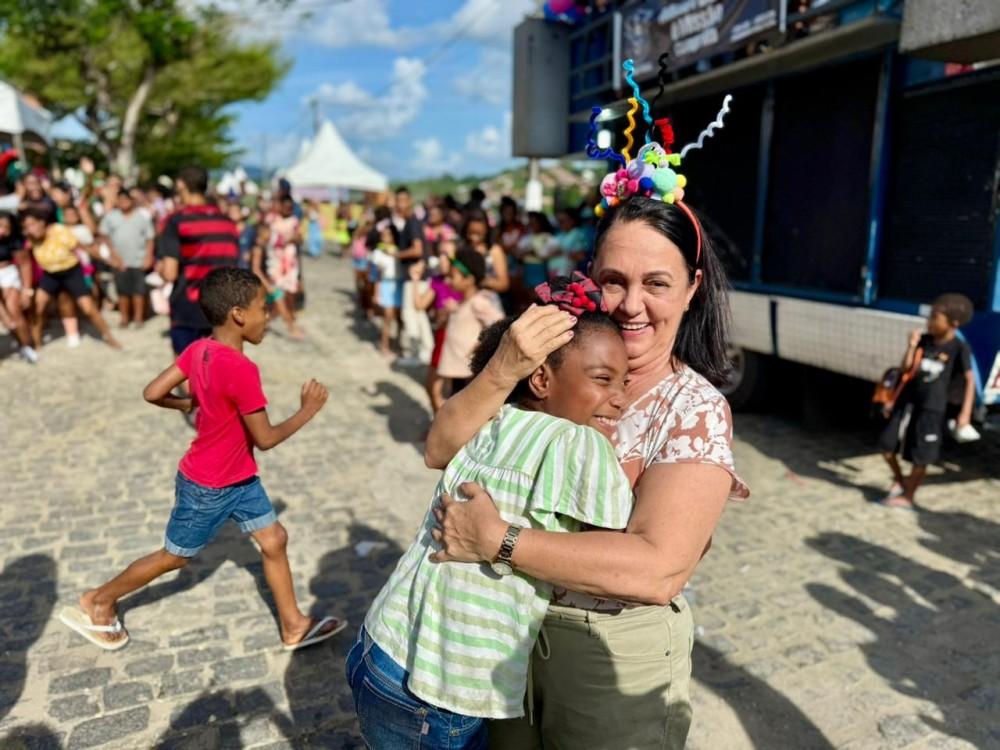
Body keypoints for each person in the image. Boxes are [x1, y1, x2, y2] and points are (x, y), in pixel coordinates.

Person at [426, 195, 748, 749]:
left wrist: (497, 540)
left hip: (609, 658)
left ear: (692, 288)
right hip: (506, 637)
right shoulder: (555, 364)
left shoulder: (693, 409)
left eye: (657, 283)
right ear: (590, 276)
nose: (631, 304)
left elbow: (659, 568)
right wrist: (504, 365)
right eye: (614, 281)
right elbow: (439, 448)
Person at [350, 278, 634, 749]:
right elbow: (612, 548)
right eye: (603, 380)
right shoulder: (582, 443)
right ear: (540, 379)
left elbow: (440, 446)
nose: (621, 397)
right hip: (440, 689)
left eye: (624, 382)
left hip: (381, 642)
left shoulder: (489, 417)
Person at [58, 267, 346, 651]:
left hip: (241, 478)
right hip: (208, 486)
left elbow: (152, 392)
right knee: (173, 558)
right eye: (263, 308)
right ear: (239, 315)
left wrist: (187, 404)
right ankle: (99, 600)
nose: (268, 316)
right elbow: (265, 439)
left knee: (274, 539)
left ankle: (293, 625)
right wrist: (307, 410)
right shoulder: (242, 369)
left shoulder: (199, 349)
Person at [878, 293, 976, 508]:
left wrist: (965, 414)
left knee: (922, 453)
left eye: (934, 318)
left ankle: (908, 496)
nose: (929, 322)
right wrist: (911, 346)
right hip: (907, 402)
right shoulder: (925, 340)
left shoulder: (959, 348)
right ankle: (900, 480)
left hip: (932, 408)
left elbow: (970, 380)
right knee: (887, 445)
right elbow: (906, 368)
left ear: (953, 323)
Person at [159, 165, 239, 357]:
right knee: (214, 363)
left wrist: (159, 268)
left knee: (185, 364)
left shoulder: (176, 221)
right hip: (221, 307)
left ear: (181, 185)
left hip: (188, 305)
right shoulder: (228, 222)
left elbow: (169, 273)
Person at [21, 207, 121, 350]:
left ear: (42, 222)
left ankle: (109, 337)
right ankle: (36, 344)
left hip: (71, 271)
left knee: (88, 307)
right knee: (38, 305)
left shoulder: (58, 230)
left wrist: (108, 260)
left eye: (33, 224)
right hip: (50, 275)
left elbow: (83, 248)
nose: (31, 229)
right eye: (27, 227)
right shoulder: (29, 239)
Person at [435, 248, 505, 393]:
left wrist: (479, 346)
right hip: (458, 369)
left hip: (468, 371)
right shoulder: (461, 302)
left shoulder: (478, 302)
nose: (447, 280)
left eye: (452, 276)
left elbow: (499, 324)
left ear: (469, 280)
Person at [100, 189, 155, 328]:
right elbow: (105, 237)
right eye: (121, 200)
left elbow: (150, 238)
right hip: (119, 262)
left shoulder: (142, 217)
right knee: (122, 291)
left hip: (138, 260)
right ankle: (124, 318)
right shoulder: (111, 217)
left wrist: (148, 256)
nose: (124, 202)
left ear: (132, 201)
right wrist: (113, 256)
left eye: (126, 199)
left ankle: (138, 318)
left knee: (138, 291)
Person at [250, 222, 304, 340]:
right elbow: (255, 270)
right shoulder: (258, 248)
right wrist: (268, 286)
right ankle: (292, 328)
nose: (271, 235)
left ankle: (263, 326)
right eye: (268, 233)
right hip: (262, 283)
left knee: (274, 309)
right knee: (279, 303)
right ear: (261, 233)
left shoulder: (268, 244)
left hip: (269, 281)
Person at [0, 211, 38, 362]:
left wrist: (26, 290)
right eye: (0, 225)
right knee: (5, 316)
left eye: (7, 227)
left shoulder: (14, 241)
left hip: (8, 274)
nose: (2, 231)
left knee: (14, 311)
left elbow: (25, 265)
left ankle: (26, 345)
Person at [370, 220, 403, 358]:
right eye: (383, 234)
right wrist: (376, 292)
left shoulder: (400, 250)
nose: (385, 237)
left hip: (399, 285)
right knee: (387, 318)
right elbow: (376, 275)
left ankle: (398, 344)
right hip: (387, 285)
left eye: (388, 234)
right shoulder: (378, 253)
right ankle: (385, 345)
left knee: (400, 318)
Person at [462, 211, 509, 296]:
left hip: (487, 297)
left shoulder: (494, 251)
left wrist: (480, 281)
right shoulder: (462, 249)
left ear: (487, 230)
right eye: (470, 232)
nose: (474, 237)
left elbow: (504, 284)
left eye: (479, 233)